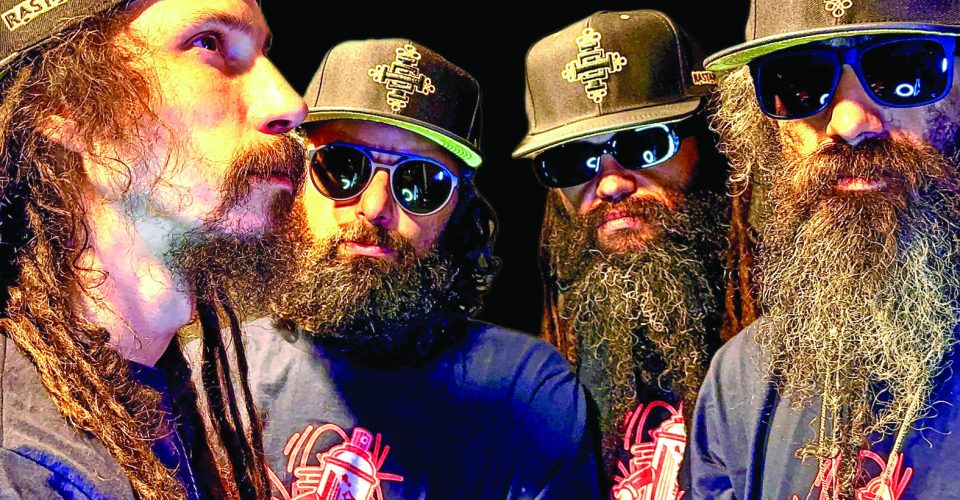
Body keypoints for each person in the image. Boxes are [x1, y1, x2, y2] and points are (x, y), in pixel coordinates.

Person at [240, 39, 600, 499]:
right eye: (342, 167)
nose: (375, 207)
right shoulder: (215, 372)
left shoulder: (528, 393)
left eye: (420, 183)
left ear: (460, 212)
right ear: (294, 178)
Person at [0, 0, 307, 497]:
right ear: (64, 106)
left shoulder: (158, 387)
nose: (289, 104)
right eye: (208, 43)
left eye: (262, 53)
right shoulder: (21, 463)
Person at [687, 1, 960, 498]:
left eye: (905, 69)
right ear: (768, 129)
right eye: (799, 82)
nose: (850, 122)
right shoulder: (738, 379)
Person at [512, 10, 726, 499]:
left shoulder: (793, 343)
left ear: (711, 144)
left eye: (644, 144)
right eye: (570, 160)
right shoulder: (546, 378)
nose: (610, 184)